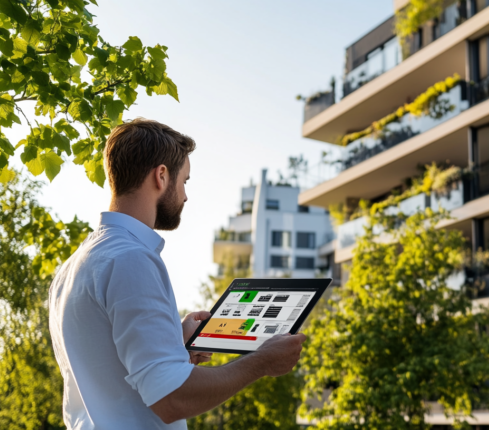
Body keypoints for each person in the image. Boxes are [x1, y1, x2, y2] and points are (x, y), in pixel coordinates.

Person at [48, 118, 306, 429]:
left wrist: (173, 342)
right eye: (184, 181)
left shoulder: (72, 266)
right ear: (161, 176)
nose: (185, 195)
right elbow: (172, 399)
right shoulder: (131, 259)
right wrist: (261, 362)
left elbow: (108, 372)